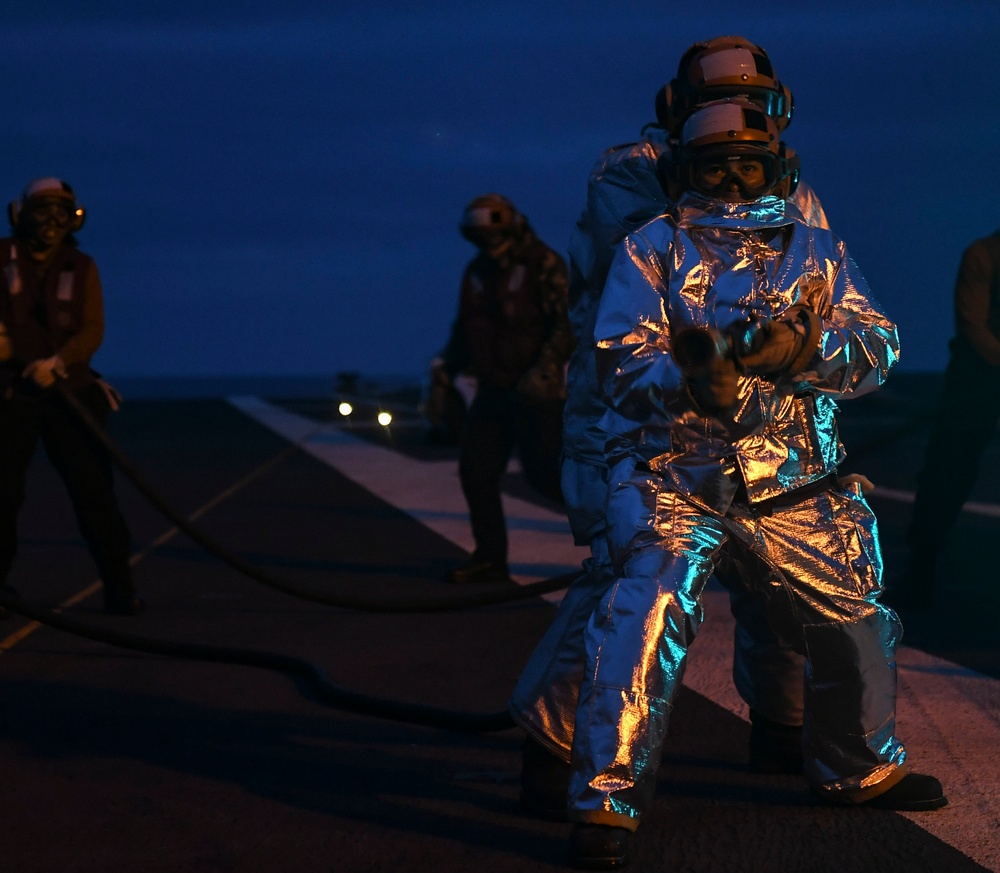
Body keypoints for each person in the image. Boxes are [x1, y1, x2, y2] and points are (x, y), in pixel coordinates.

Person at [561, 98, 945, 870]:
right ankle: (606, 800)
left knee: (853, 619)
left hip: (796, 484)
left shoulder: (819, 249)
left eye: (750, 164)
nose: (734, 181)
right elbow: (620, 363)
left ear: (781, 169)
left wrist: (802, 347)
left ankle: (857, 766)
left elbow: (878, 348)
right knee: (643, 616)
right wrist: (691, 382)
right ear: (683, 173)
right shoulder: (652, 246)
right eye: (714, 166)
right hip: (676, 479)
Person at [509, 36, 829, 820]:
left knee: (780, 584)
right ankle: (555, 749)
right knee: (623, 586)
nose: (739, 137)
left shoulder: (794, 192)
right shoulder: (631, 180)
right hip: (641, 418)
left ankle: (782, 728)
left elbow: (815, 283)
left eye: (757, 112)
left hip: (760, 427)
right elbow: (668, 271)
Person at [0, 177, 144, 617]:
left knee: (94, 493)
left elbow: (91, 329)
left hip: (70, 392)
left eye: (62, 212)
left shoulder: (82, 266)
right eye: (42, 210)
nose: (51, 221)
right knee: (2, 495)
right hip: (10, 395)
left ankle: (120, 588)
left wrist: (57, 363)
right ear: (20, 214)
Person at [441, 193, 573, 585]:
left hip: (538, 394)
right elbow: (464, 327)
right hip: (493, 392)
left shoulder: (544, 263)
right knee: (475, 473)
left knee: (546, 478)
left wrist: (543, 372)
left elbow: (565, 324)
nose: (487, 244)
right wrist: (444, 370)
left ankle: (622, 548)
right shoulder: (476, 272)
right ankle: (489, 560)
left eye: (492, 234)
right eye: (479, 237)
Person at [898, 230, 1000, 609]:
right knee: (946, 474)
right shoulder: (983, 255)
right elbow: (972, 326)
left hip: (980, 375)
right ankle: (921, 569)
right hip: (975, 381)